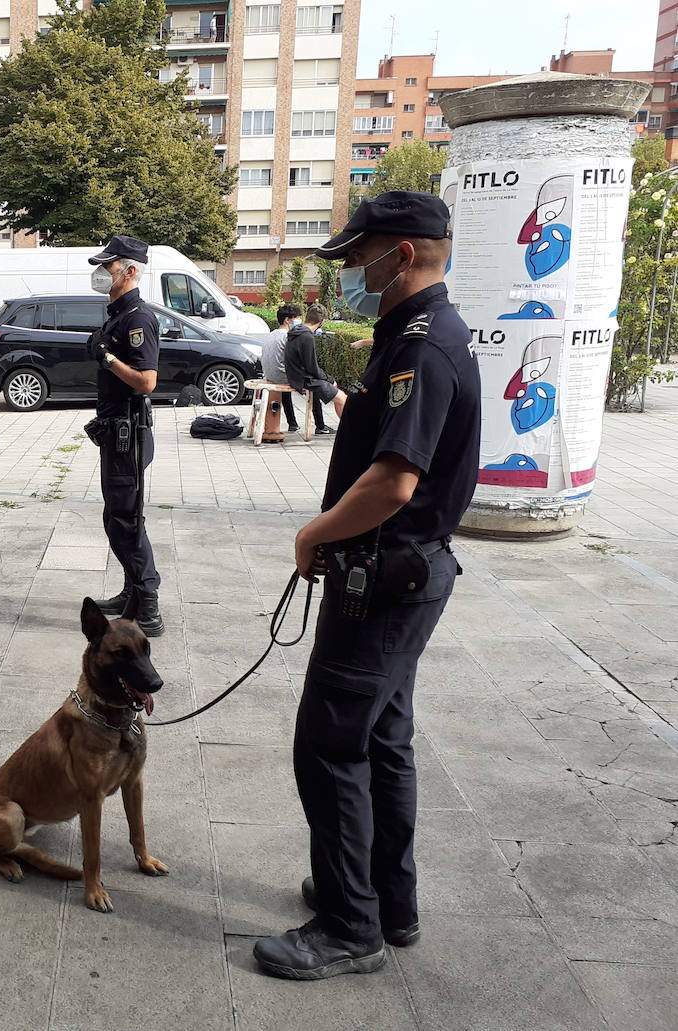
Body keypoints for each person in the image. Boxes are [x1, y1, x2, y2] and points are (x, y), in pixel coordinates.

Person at [253, 191, 480, 980]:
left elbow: (393, 482)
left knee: (328, 744)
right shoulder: (418, 337)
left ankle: (351, 925)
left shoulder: (423, 344)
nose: (352, 272)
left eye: (361, 257)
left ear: (404, 254)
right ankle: (389, 898)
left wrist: (314, 533)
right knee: (383, 738)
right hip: (400, 576)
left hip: (385, 579)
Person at [85, 235, 163, 637]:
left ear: (130, 271)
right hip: (116, 432)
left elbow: (147, 381)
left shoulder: (137, 319)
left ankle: (147, 605)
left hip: (128, 434)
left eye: (108, 266)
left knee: (125, 519)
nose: (101, 273)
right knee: (116, 516)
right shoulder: (117, 315)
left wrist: (107, 357)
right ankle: (132, 591)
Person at [285, 303, 344, 435]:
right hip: (304, 379)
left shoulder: (295, 332)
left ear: (306, 316)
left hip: (296, 376)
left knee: (336, 393)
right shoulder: (307, 337)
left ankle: (330, 427)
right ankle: (349, 430)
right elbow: (312, 368)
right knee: (342, 398)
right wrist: (329, 379)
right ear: (322, 321)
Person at [261, 303, 303, 434]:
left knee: (285, 379)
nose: (299, 321)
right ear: (287, 320)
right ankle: (320, 425)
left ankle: (293, 423)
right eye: (296, 318)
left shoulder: (272, 333)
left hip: (269, 374)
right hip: (280, 376)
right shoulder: (288, 336)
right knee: (315, 383)